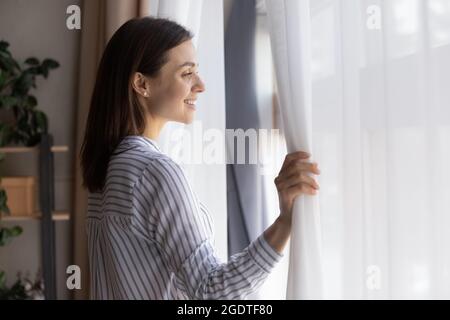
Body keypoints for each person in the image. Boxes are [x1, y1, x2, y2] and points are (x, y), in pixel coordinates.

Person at [80, 16, 320, 300]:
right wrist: (284, 222)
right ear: (142, 84)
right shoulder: (154, 171)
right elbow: (210, 292)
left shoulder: (109, 167)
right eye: (186, 73)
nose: (201, 85)